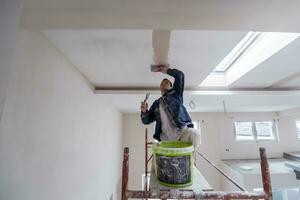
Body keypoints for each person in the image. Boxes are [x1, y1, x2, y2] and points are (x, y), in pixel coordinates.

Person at [140, 65, 200, 150]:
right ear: (160, 87)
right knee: (158, 159)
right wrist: (144, 112)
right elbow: (146, 121)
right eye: (162, 83)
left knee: (195, 134)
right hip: (165, 139)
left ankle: (189, 158)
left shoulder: (176, 95)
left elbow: (180, 75)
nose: (164, 84)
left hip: (182, 133)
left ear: (171, 87)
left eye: (166, 83)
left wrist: (166, 70)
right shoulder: (156, 104)